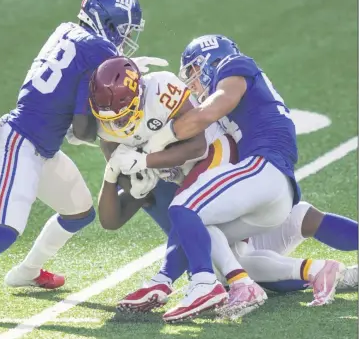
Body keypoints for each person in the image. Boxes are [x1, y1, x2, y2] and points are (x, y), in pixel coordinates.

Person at [0, 0, 149, 321]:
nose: (126, 39)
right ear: (108, 23)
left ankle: (28, 271)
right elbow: (83, 128)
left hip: (39, 144)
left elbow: (68, 99)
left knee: (79, 212)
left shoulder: (67, 31)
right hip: (18, 143)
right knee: (3, 232)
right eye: (124, 30)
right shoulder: (99, 50)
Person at [109, 35, 347, 321]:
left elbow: (208, 112)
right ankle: (224, 282)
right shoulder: (236, 96)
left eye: (194, 72)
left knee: (184, 207)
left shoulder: (235, 65)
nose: (193, 83)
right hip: (267, 182)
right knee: (208, 234)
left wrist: (153, 146)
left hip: (263, 166)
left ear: (209, 60)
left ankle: (204, 285)